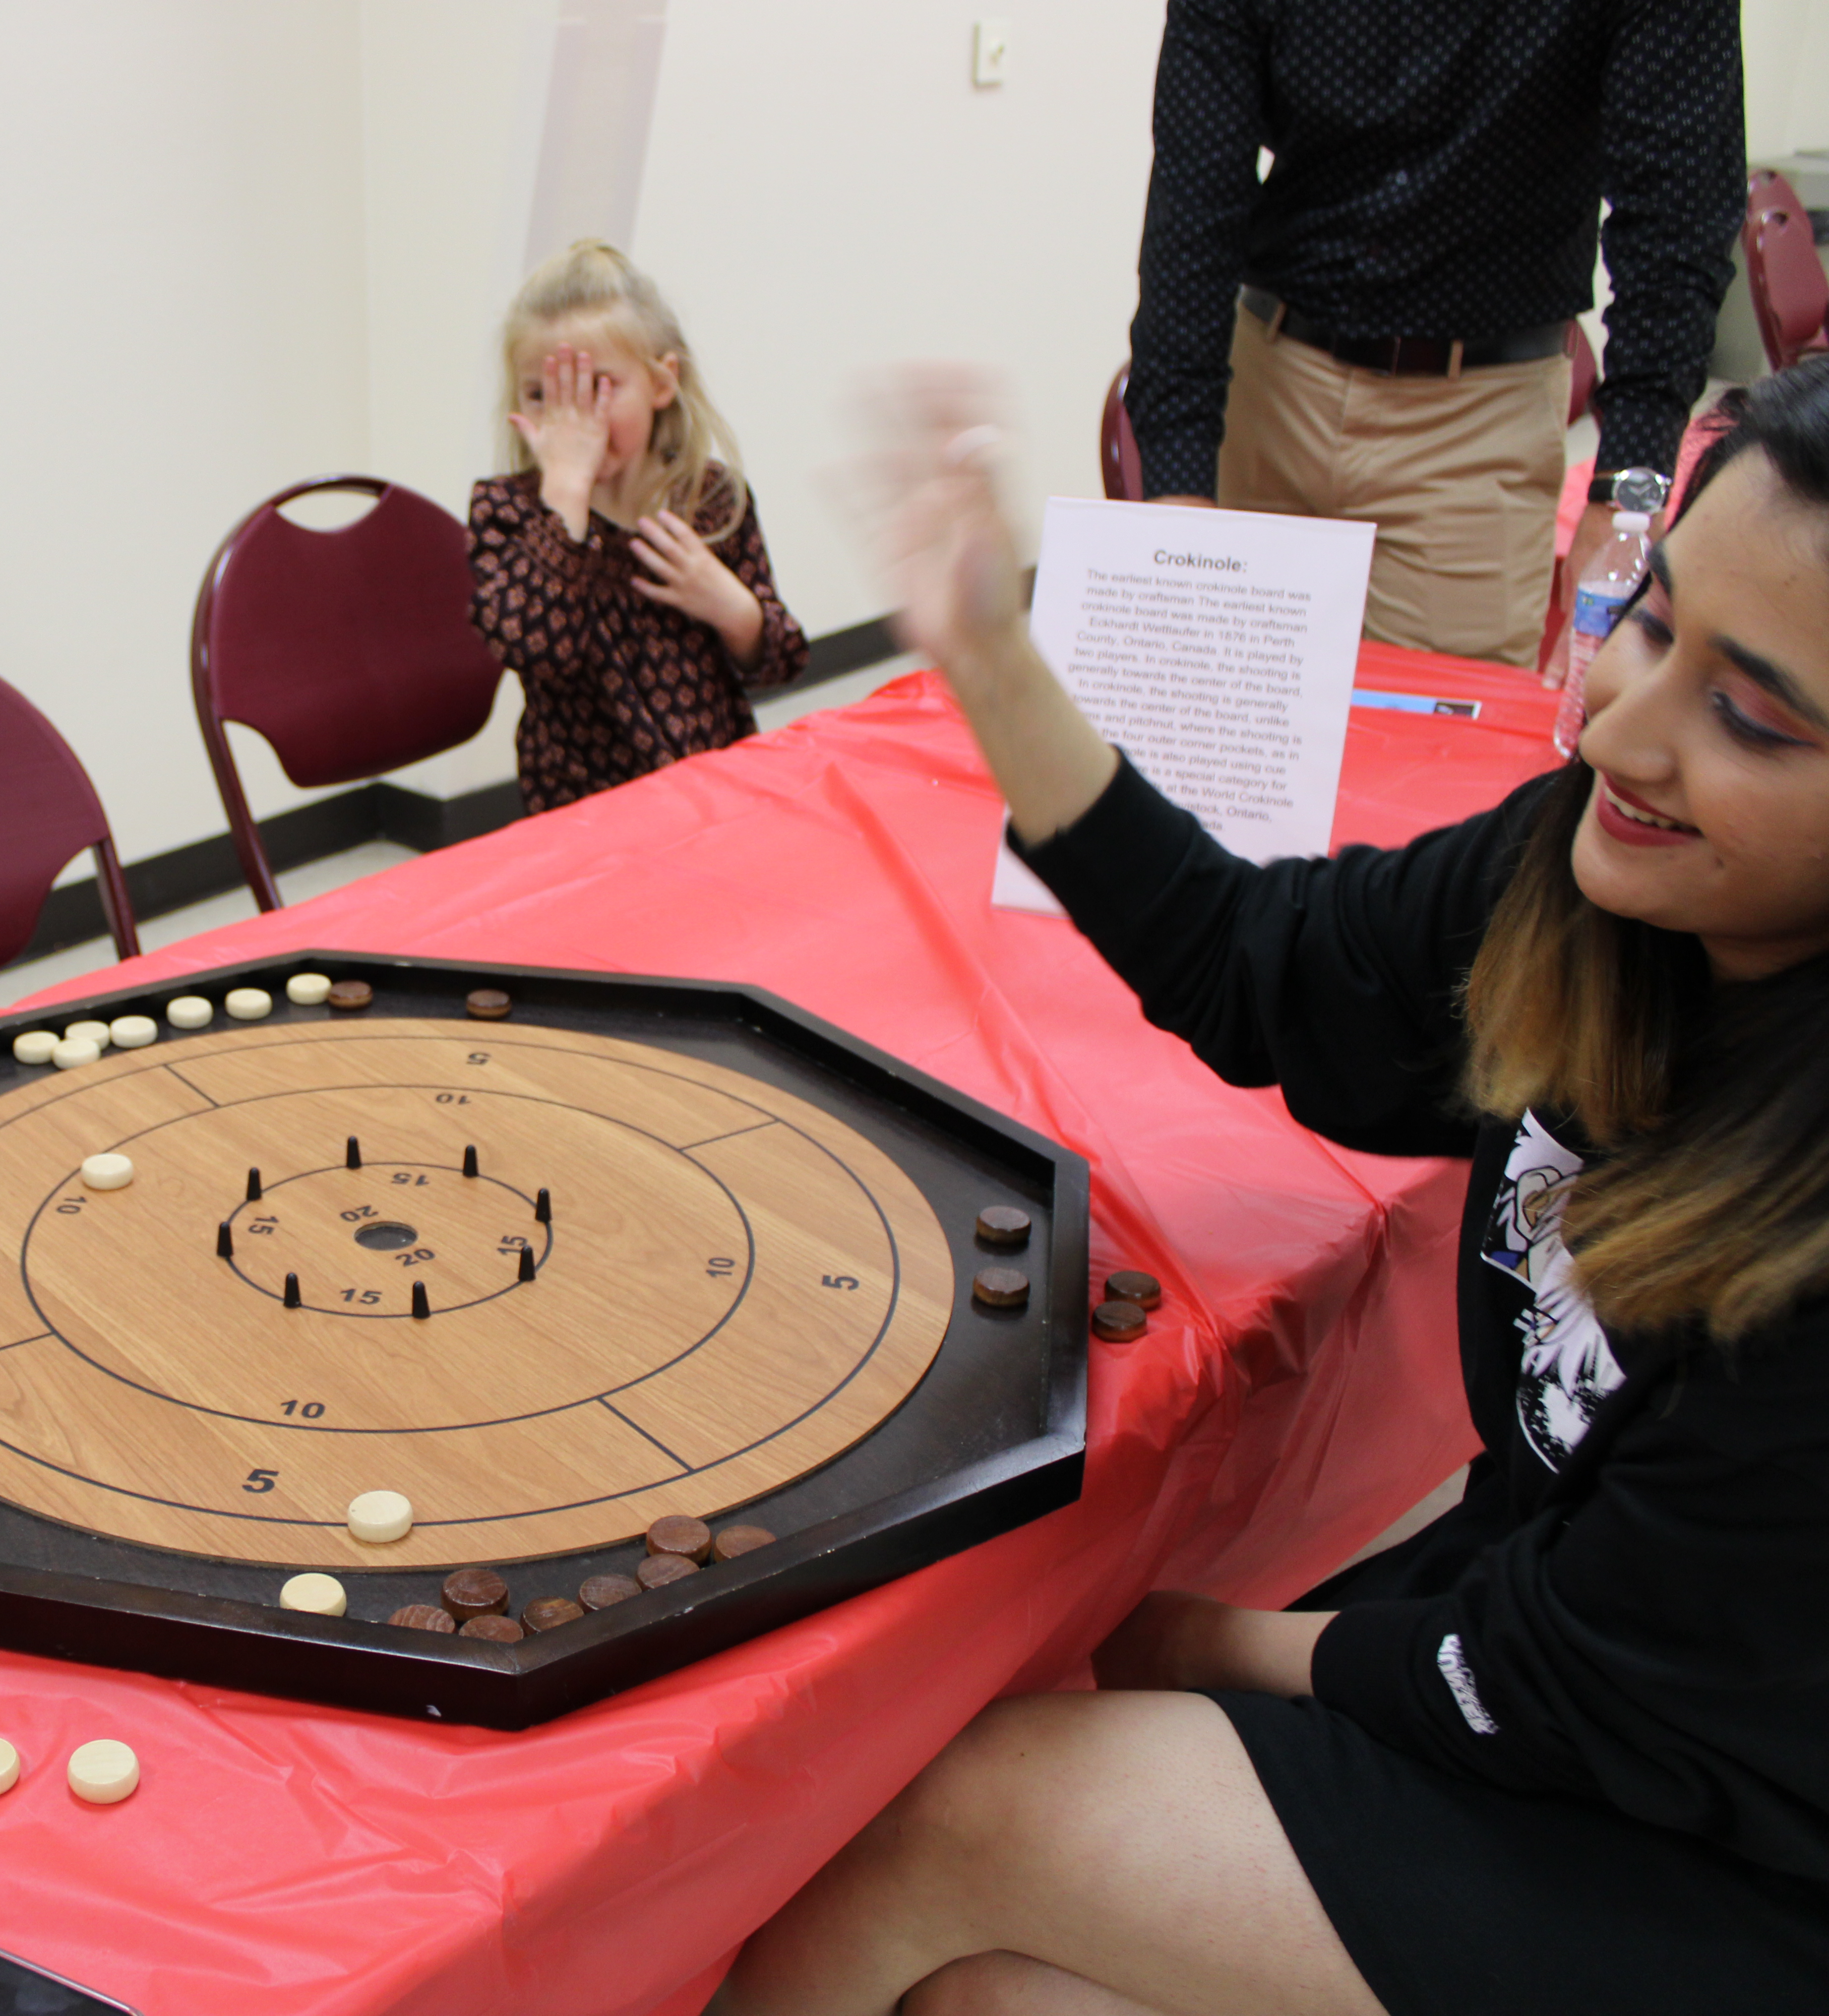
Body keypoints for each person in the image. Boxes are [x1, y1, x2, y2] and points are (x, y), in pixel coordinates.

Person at [711, 365, 1829, 2010]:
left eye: (1755, 716)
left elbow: (1574, 1685)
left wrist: (1209, 1638)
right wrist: (995, 655)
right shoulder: (1594, 885)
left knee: (950, 1820)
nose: (1616, 729)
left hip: (1721, 1853)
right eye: (1650, 624)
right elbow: (1265, 968)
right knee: (986, 1994)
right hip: (1565, 1681)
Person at [1124, 0, 1743, 669]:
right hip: (1273, 389)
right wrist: (1177, 485)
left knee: (1436, 753)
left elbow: (1677, 218)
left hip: (1476, 423)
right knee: (1225, 720)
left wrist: (1626, 500)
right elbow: (1193, 200)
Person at [468, 240, 807, 814]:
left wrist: (732, 608)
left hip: (717, 795)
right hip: (588, 812)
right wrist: (566, 501)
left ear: (661, 383)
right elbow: (531, 648)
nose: (571, 418)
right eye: (540, 395)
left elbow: (783, 660)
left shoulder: (712, 499)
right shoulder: (508, 511)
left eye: (597, 387)